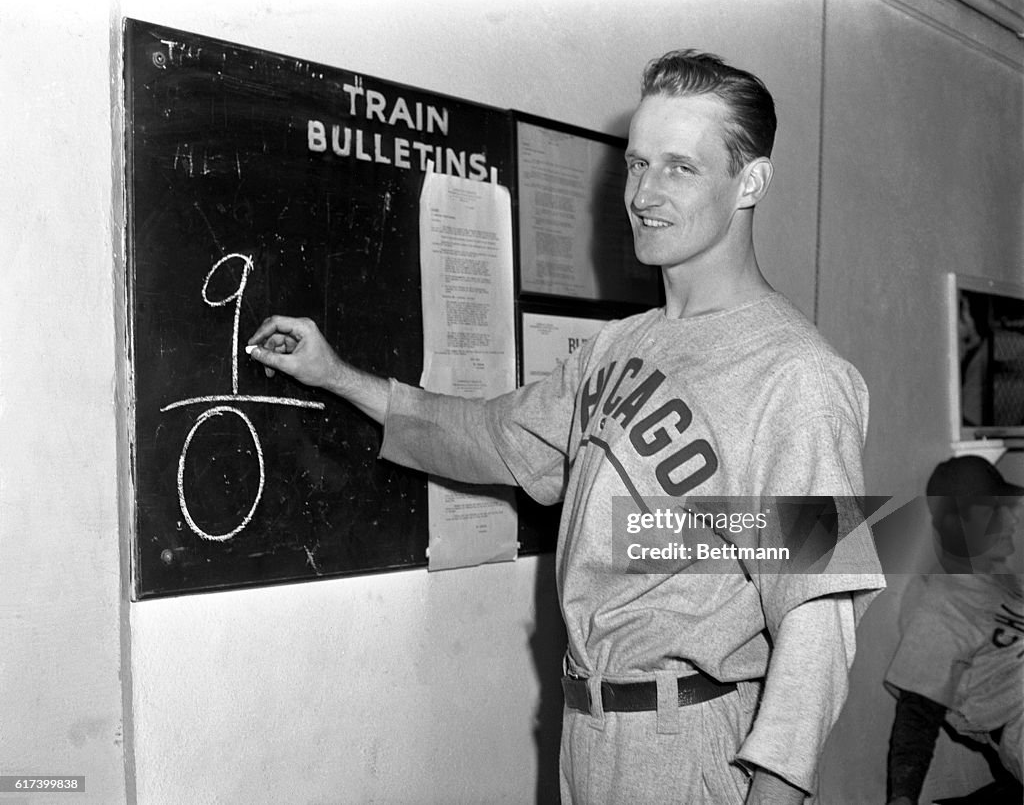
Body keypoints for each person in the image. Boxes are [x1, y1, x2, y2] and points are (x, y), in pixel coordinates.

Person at [247, 50, 885, 804]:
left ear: (750, 181)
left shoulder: (797, 376)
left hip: (693, 742)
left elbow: (817, 614)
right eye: (637, 164)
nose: (644, 193)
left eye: (679, 167)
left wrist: (776, 788)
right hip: (588, 730)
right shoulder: (619, 345)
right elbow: (494, 437)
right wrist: (337, 375)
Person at [885, 456, 1024, 805]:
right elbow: (917, 712)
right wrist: (902, 797)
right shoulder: (941, 603)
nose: (1010, 518)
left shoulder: (1002, 585)